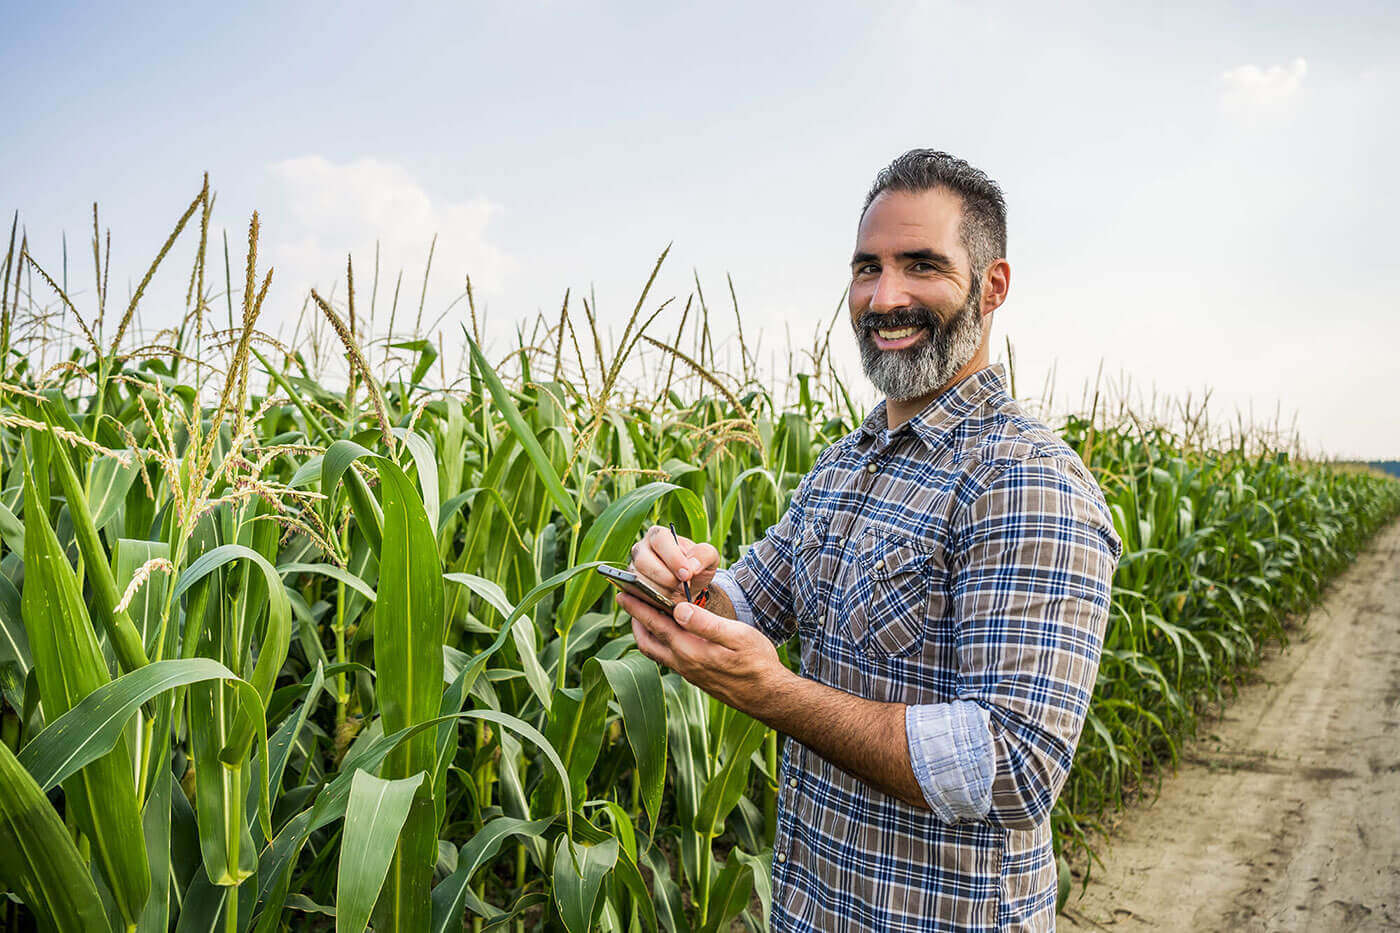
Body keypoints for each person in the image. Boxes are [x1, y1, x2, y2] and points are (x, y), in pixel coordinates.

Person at [617, 149, 1122, 932]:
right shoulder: (845, 463)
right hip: (811, 908)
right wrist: (677, 583)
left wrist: (773, 694)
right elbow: (747, 601)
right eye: (866, 268)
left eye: (922, 265)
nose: (885, 298)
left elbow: (1014, 766)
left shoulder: (1024, 478)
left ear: (993, 286)